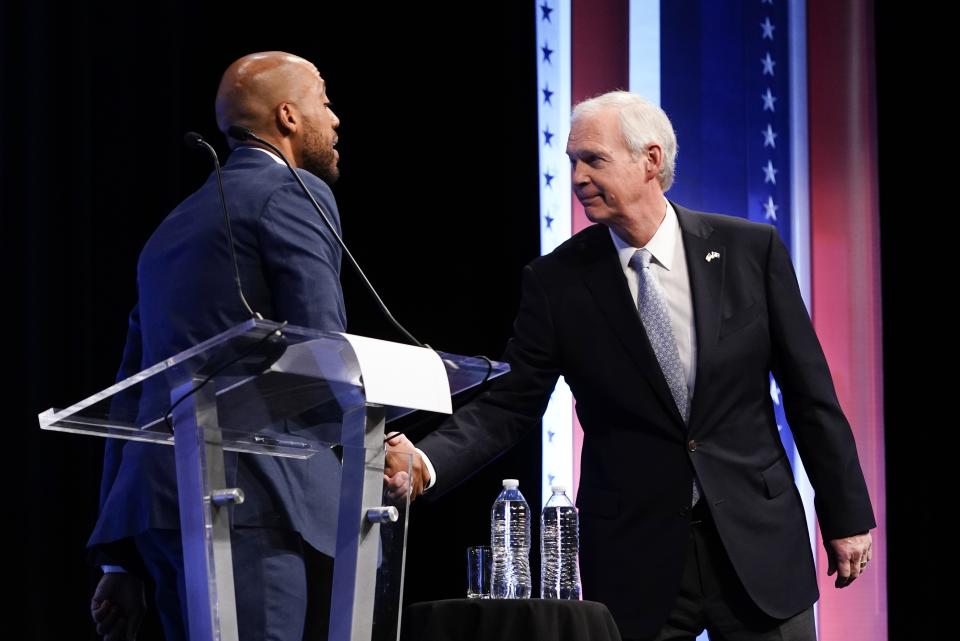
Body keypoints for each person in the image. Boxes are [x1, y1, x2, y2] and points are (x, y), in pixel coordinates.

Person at [387, 91, 875, 641]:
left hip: (758, 544)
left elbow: (810, 393)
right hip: (635, 556)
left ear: (650, 160)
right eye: (572, 160)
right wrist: (427, 461)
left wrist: (845, 515)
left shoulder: (748, 250)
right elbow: (511, 404)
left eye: (592, 159)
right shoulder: (557, 283)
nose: (577, 176)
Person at [89, 51, 346, 641]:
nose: (335, 119)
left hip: (159, 508)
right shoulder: (294, 192)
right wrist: (374, 440)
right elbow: (324, 350)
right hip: (253, 497)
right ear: (287, 116)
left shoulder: (168, 230)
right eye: (324, 101)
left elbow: (131, 394)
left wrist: (117, 557)